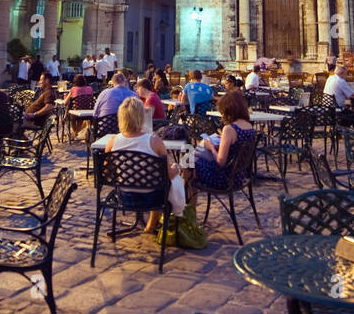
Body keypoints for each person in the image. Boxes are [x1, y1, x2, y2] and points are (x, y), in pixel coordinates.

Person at [104, 97, 186, 232]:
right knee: (167, 181)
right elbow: (169, 175)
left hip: (124, 195)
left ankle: (150, 225)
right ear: (142, 117)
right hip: (152, 198)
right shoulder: (154, 142)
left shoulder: (112, 142)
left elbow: (106, 173)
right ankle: (153, 224)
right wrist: (177, 168)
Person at [195, 89, 256, 189]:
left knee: (189, 163)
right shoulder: (249, 125)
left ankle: (185, 201)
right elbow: (237, 146)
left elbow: (220, 162)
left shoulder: (229, 129)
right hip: (239, 176)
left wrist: (211, 148)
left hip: (224, 178)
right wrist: (224, 140)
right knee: (190, 163)